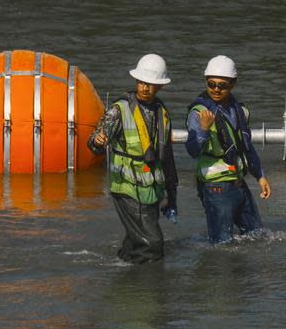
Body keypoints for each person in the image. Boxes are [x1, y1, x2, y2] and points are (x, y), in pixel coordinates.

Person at [88, 53, 178, 264]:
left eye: (151, 84)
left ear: (160, 87)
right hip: (127, 188)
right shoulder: (119, 111)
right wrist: (98, 141)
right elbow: (94, 143)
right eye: (141, 82)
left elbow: (167, 156)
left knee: (136, 239)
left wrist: (171, 191)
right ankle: (145, 290)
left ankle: (123, 269)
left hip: (150, 189)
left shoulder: (161, 112)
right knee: (152, 243)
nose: (145, 88)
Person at [184, 55, 272, 244]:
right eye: (211, 84)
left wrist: (260, 176)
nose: (216, 89)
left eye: (222, 85)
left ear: (233, 84)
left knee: (258, 237)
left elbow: (246, 146)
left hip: (238, 183)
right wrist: (204, 130)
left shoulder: (240, 111)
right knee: (222, 245)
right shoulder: (199, 113)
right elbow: (192, 150)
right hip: (215, 187)